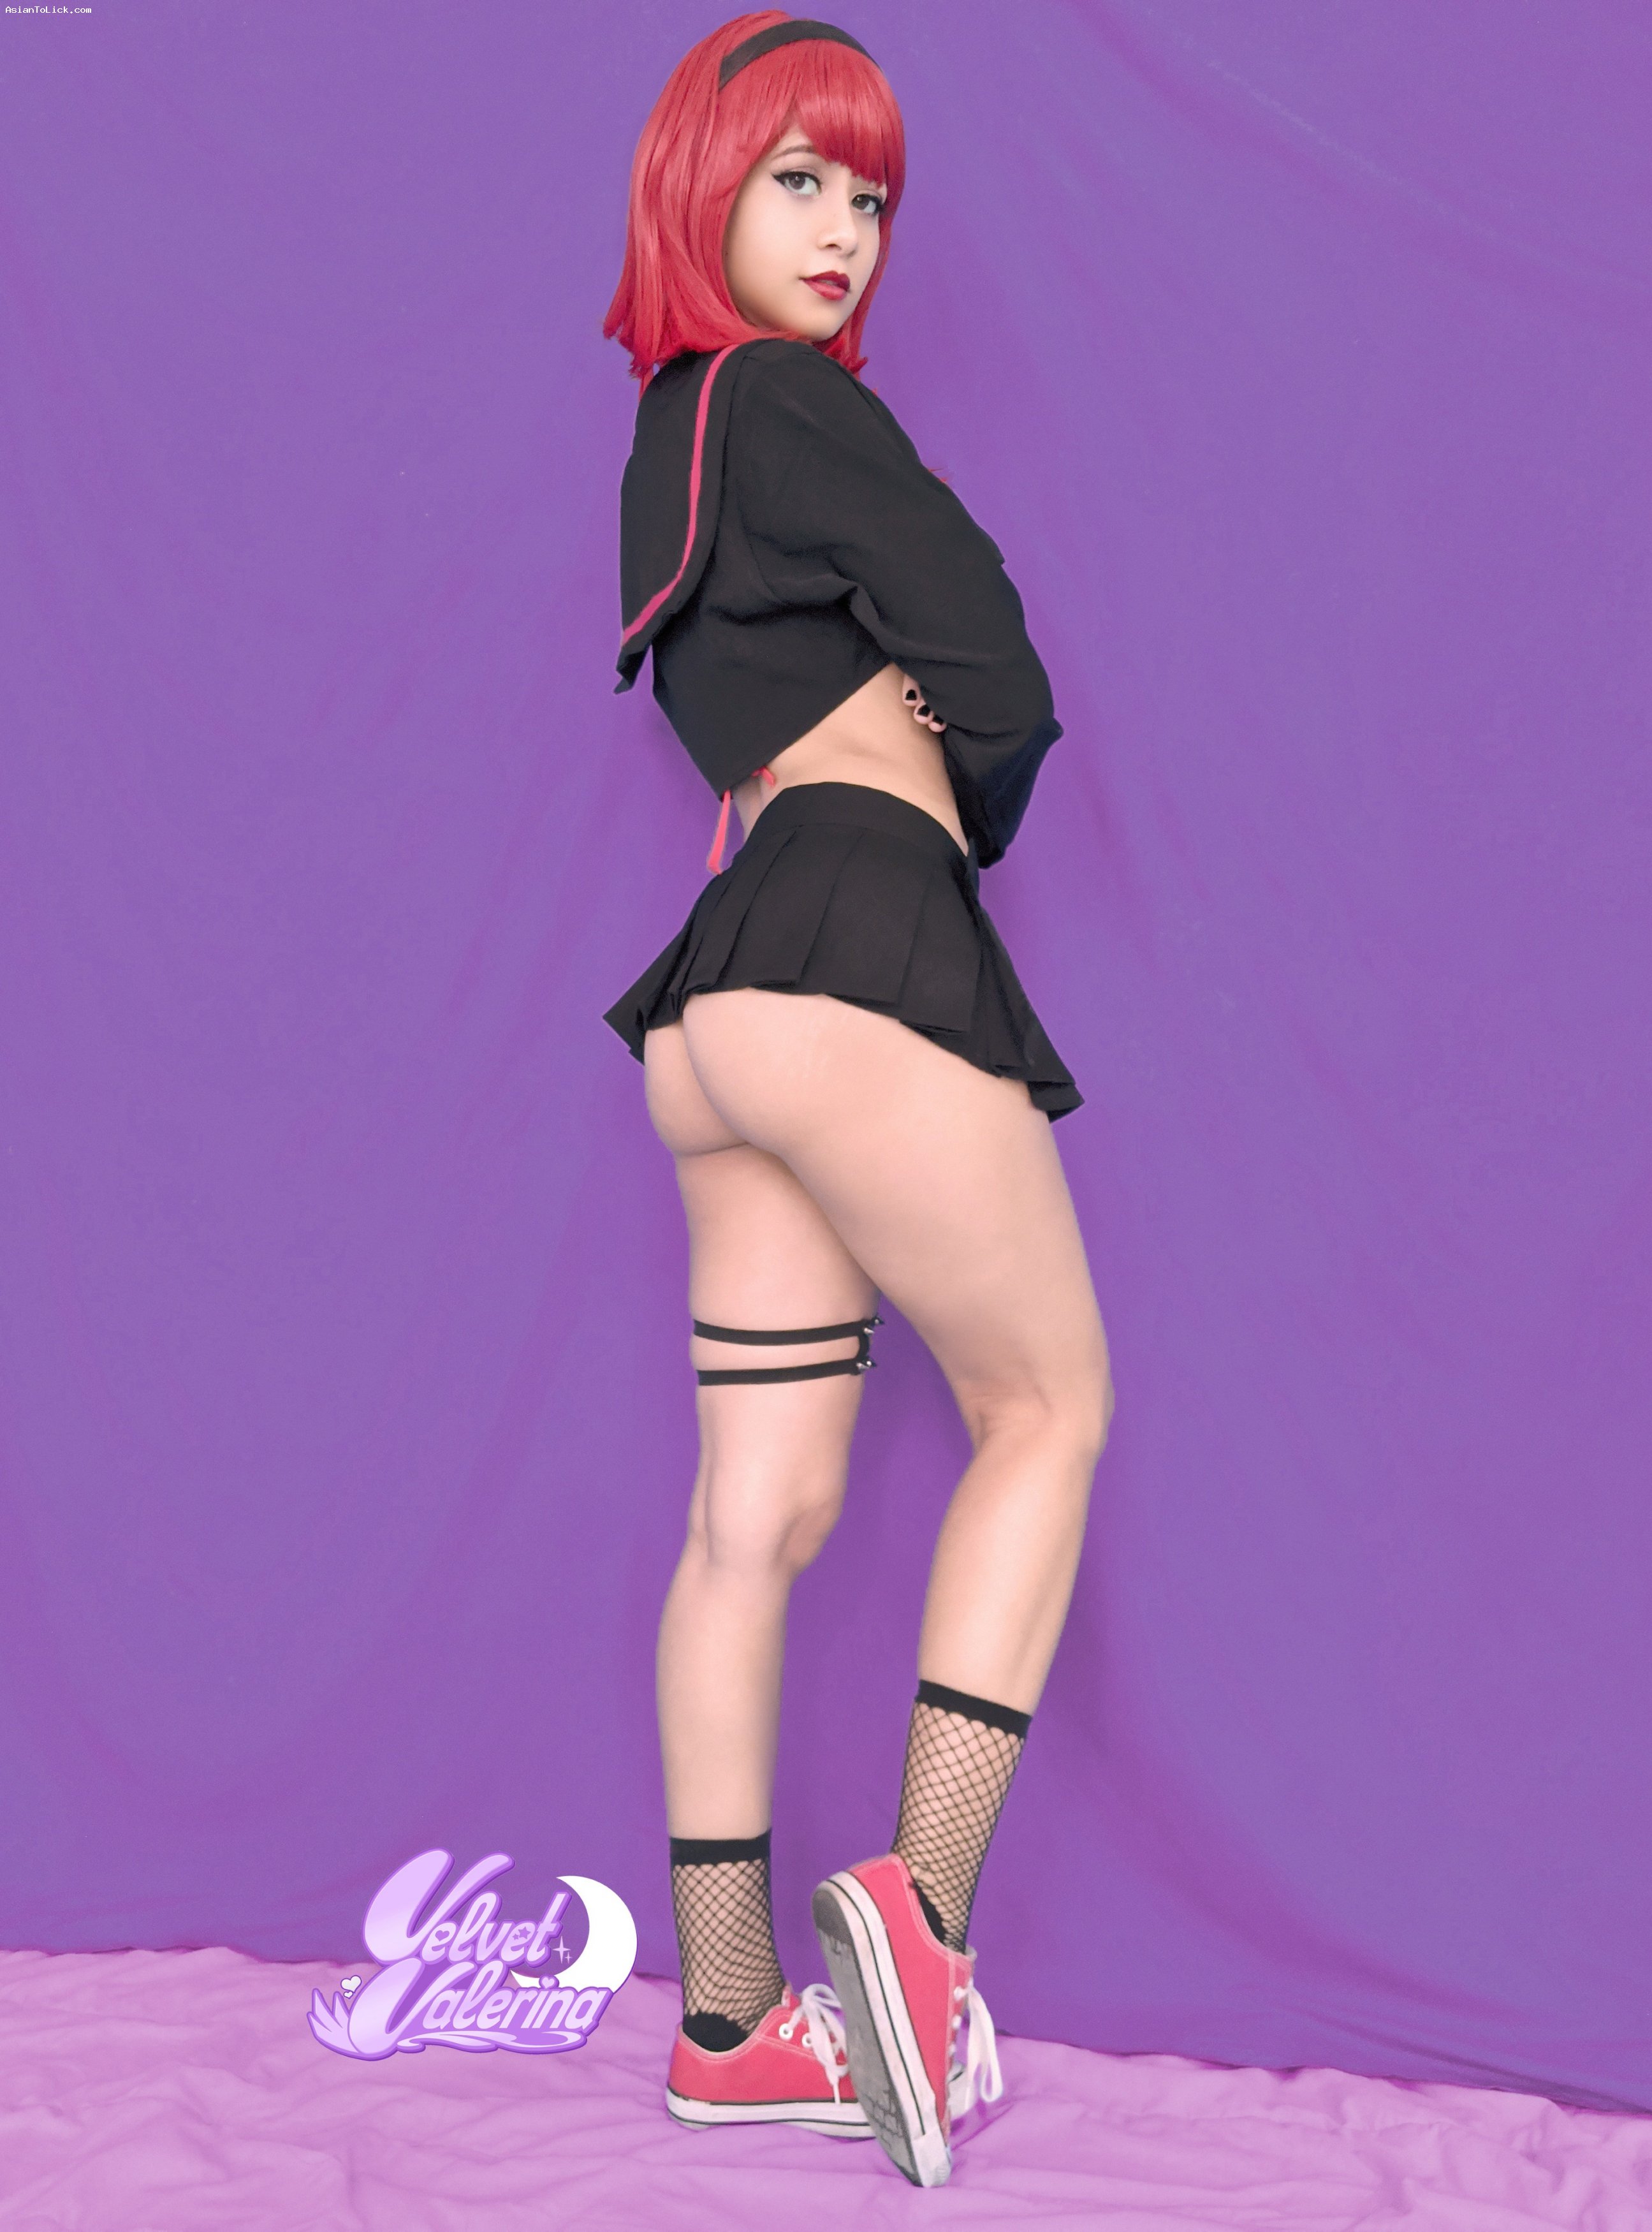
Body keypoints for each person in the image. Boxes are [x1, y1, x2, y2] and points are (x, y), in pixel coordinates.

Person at [601, 11, 1112, 2189]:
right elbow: (996, 659)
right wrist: (950, 771)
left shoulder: (671, 433)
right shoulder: (796, 401)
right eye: (799, 177)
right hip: (847, 944)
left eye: (870, 196)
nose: (843, 230)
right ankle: (922, 1921)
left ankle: (730, 2026)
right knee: (1046, 1407)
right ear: (701, 183)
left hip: (715, 1010)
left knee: (753, 1518)